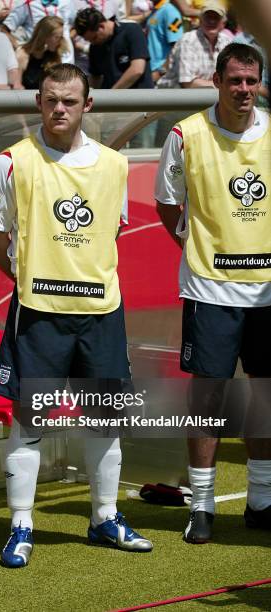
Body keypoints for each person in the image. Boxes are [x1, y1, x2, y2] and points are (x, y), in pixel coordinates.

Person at [0, 63, 153, 567]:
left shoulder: (113, 165)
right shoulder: (10, 162)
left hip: (100, 313)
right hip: (39, 314)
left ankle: (104, 517)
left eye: (70, 101)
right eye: (51, 99)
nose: (60, 109)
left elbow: (109, 233)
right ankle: (20, 525)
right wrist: (33, 274)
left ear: (88, 106)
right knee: (29, 422)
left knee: (105, 420)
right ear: (38, 102)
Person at [155, 42, 271, 543]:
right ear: (217, 82)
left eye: (251, 81)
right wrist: (193, 242)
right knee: (209, 396)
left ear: (259, 83)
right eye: (234, 81)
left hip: (267, 292)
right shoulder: (185, 135)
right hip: (210, 288)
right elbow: (167, 204)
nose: (243, 90)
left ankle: (262, 500)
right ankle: (201, 506)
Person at [74, 8, 154, 89]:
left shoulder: (132, 30)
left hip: (139, 97)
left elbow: (137, 69)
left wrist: (112, 94)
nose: (93, 43)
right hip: (111, 99)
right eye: (89, 40)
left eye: (94, 38)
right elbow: (95, 77)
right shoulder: (95, 46)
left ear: (101, 26)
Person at [158, 1, 230, 89]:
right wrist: (222, 85)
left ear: (223, 23)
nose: (211, 21)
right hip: (172, 97)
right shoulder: (188, 40)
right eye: (207, 17)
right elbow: (188, 83)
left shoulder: (227, 41)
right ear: (200, 21)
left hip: (208, 96)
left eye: (216, 18)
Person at [17, 16, 68, 89]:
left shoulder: (54, 56)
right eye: (57, 37)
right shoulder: (23, 55)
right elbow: (16, 86)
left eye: (61, 37)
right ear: (45, 37)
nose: (60, 41)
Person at [146, 0, 183, 83]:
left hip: (162, 77)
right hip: (151, 72)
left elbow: (178, 47)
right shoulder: (155, 10)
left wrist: (160, 72)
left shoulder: (170, 11)